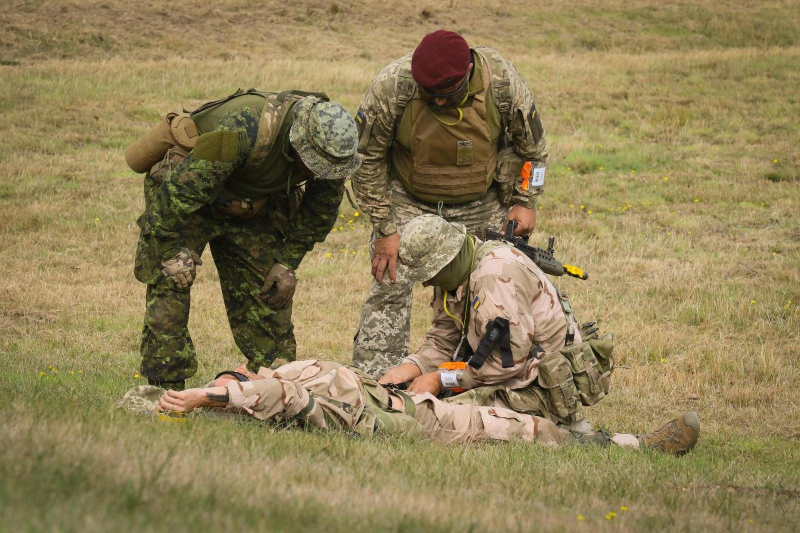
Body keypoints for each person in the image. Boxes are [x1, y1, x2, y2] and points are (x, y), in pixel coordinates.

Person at [128, 89, 361, 390]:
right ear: (299, 143)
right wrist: (169, 249)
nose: (321, 173)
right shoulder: (244, 128)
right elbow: (177, 194)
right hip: (189, 200)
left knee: (270, 291)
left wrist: (286, 262)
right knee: (171, 281)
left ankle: (275, 388)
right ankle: (165, 387)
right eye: (315, 164)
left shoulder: (333, 151)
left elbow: (320, 211)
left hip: (252, 206)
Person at [351, 30, 549, 375]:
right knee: (390, 281)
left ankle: (474, 374)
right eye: (431, 96)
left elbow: (534, 149)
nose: (439, 103)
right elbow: (365, 158)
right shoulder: (393, 86)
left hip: (482, 199)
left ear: (468, 73)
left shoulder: (501, 83)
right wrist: (385, 227)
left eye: (448, 95)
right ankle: (377, 382)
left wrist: (526, 201)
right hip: (409, 199)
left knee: (489, 284)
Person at [117, 359, 700, 456]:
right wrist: (208, 397)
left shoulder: (287, 371)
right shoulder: (283, 396)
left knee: (506, 397)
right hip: (418, 424)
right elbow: (277, 397)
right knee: (520, 428)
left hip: (409, 398)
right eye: (229, 381)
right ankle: (633, 448)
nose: (235, 373)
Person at [378, 214, 606, 432]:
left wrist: (440, 379)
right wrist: (408, 369)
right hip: (506, 374)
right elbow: (443, 340)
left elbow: (508, 363)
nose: (426, 283)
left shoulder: (495, 277)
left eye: (429, 274)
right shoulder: (455, 271)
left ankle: (563, 426)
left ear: (447, 259)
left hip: (541, 385)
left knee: (442, 418)